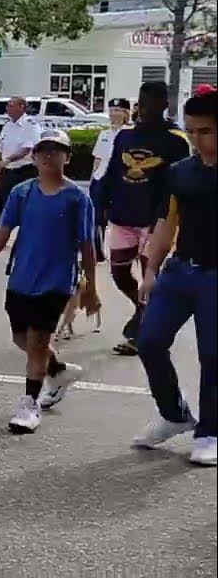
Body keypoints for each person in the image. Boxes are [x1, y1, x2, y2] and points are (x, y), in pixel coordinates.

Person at [0, 129, 97, 434]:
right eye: (43, 151)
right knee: (22, 340)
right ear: (34, 156)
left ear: (67, 157)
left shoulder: (78, 198)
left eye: (56, 151)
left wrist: (91, 288)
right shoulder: (22, 193)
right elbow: (3, 231)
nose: (49, 156)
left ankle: (29, 404)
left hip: (56, 282)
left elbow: (87, 246)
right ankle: (58, 371)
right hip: (22, 278)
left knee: (38, 342)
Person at [131, 85, 216, 466]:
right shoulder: (180, 172)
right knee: (149, 341)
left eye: (206, 131)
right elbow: (167, 222)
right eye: (192, 131)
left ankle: (211, 431)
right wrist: (150, 269)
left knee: (213, 356)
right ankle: (174, 414)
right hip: (179, 271)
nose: (197, 139)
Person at [99, 81, 191, 356]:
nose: (145, 108)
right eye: (142, 102)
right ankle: (141, 309)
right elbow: (113, 172)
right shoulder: (125, 137)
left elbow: (177, 184)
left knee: (149, 275)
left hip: (154, 221)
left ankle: (142, 332)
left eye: (152, 103)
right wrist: (101, 204)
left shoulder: (176, 140)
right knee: (118, 271)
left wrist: (164, 217)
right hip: (122, 215)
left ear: (164, 105)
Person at [0, 97, 41, 244]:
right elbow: (0, 148)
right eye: (8, 106)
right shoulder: (7, 126)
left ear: (22, 107)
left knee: (24, 207)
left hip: (24, 171)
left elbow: (27, 149)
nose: (8, 108)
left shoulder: (30, 126)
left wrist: (7, 161)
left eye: (11, 106)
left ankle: (28, 237)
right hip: (7, 171)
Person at [90, 97, 133, 262]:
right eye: (112, 110)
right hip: (101, 178)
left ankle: (123, 250)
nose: (113, 114)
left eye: (118, 110)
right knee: (96, 216)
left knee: (117, 217)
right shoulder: (105, 134)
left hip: (120, 180)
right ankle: (97, 251)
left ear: (126, 113)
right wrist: (93, 178)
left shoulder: (130, 134)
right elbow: (97, 159)